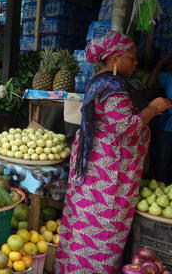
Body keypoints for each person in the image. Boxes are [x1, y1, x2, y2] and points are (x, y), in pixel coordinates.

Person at [55, 31, 172, 274]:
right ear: (115, 59)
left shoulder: (99, 81)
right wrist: (154, 108)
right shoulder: (114, 87)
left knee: (83, 222)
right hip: (108, 172)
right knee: (103, 225)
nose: (136, 62)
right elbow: (124, 127)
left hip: (96, 165)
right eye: (132, 57)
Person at [145, 54, 172, 183]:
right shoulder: (169, 77)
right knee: (163, 164)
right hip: (168, 126)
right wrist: (161, 62)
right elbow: (150, 84)